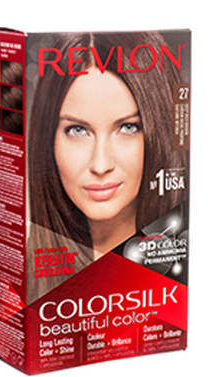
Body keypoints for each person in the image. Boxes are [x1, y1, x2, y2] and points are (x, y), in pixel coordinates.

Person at [27, 30, 190, 302]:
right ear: (47, 140)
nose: (100, 165)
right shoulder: (15, 287)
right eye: (77, 130)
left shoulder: (183, 278)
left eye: (128, 127)